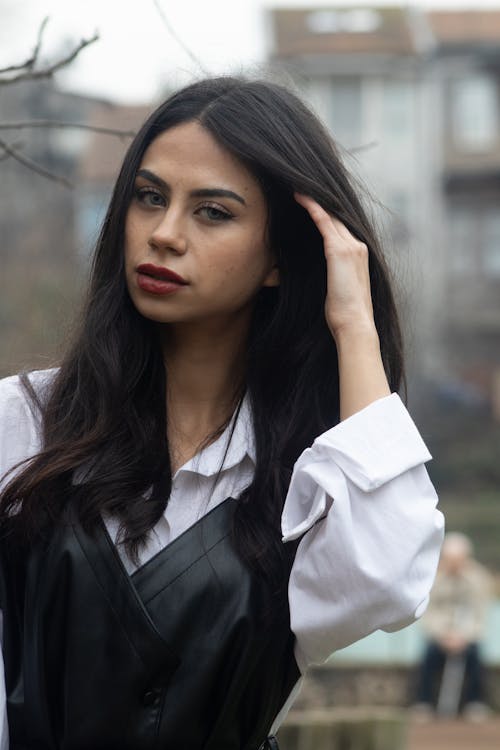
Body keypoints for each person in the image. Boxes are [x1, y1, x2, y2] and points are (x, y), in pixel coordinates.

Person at [0, 76, 443, 749]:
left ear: (279, 259)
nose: (165, 234)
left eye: (213, 212)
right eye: (149, 199)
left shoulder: (305, 480)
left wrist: (354, 325)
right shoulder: (25, 422)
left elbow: (388, 581)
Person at [414, 532, 494, 720]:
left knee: (475, 658)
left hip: (467, 637)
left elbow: (480, 613)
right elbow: (427, 611)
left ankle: (475, 702)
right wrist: (442, 635)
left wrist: (463, 638)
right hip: (440, 636)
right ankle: (423, 702)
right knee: (428, 657)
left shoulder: (478, 578)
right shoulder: (433, 578)